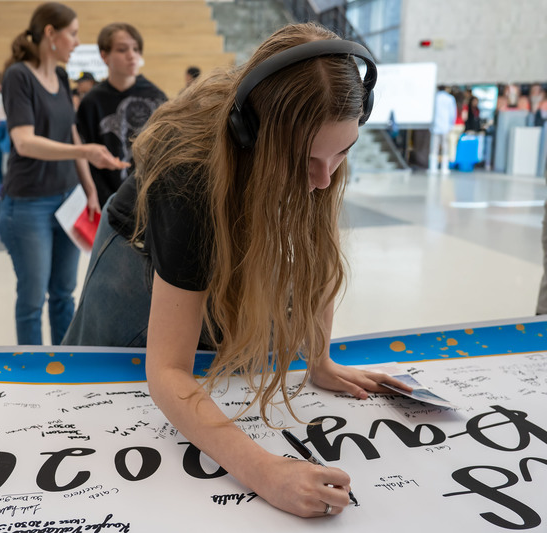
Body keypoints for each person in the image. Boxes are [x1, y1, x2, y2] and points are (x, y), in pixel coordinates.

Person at [62, 23, 411, 518]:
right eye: (307, 159)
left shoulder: (319, 145)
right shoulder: (189, 174)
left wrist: (320, 359)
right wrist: (264, 471)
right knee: (102, 396)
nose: (325, 177)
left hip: (227, 207)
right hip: (138, 251)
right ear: (253, 135)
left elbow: (316, 253)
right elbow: (166, 371)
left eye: (342, 153)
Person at [0, 1, 127, 345]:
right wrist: (84, 152)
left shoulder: (59, 75)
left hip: (67, 199)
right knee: (32, 299)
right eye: (72, 34)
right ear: (50, 34)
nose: (76, 41)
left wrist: (89, 188)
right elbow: (24, 142)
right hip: (28, 204)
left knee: (64, 293)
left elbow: (70, 132)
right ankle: (31, 372)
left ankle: (64, 362)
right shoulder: (18, 76)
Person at [75, 23, 167, 207]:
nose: (132, 55)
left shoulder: (156, 97)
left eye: (136, 49)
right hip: (107, 201)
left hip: (151, 199)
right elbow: (85, 156)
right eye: (122, 49)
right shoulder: (92, 102)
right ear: (104, 56)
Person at [429, 85, 456, 174]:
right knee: (445, 147)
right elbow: (452, 113)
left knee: (434, 147)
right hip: (445, 126)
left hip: (435, 125)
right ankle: (444, 168)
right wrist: (451, 124)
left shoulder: (434, 97)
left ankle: (433, 168)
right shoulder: (449, 98)